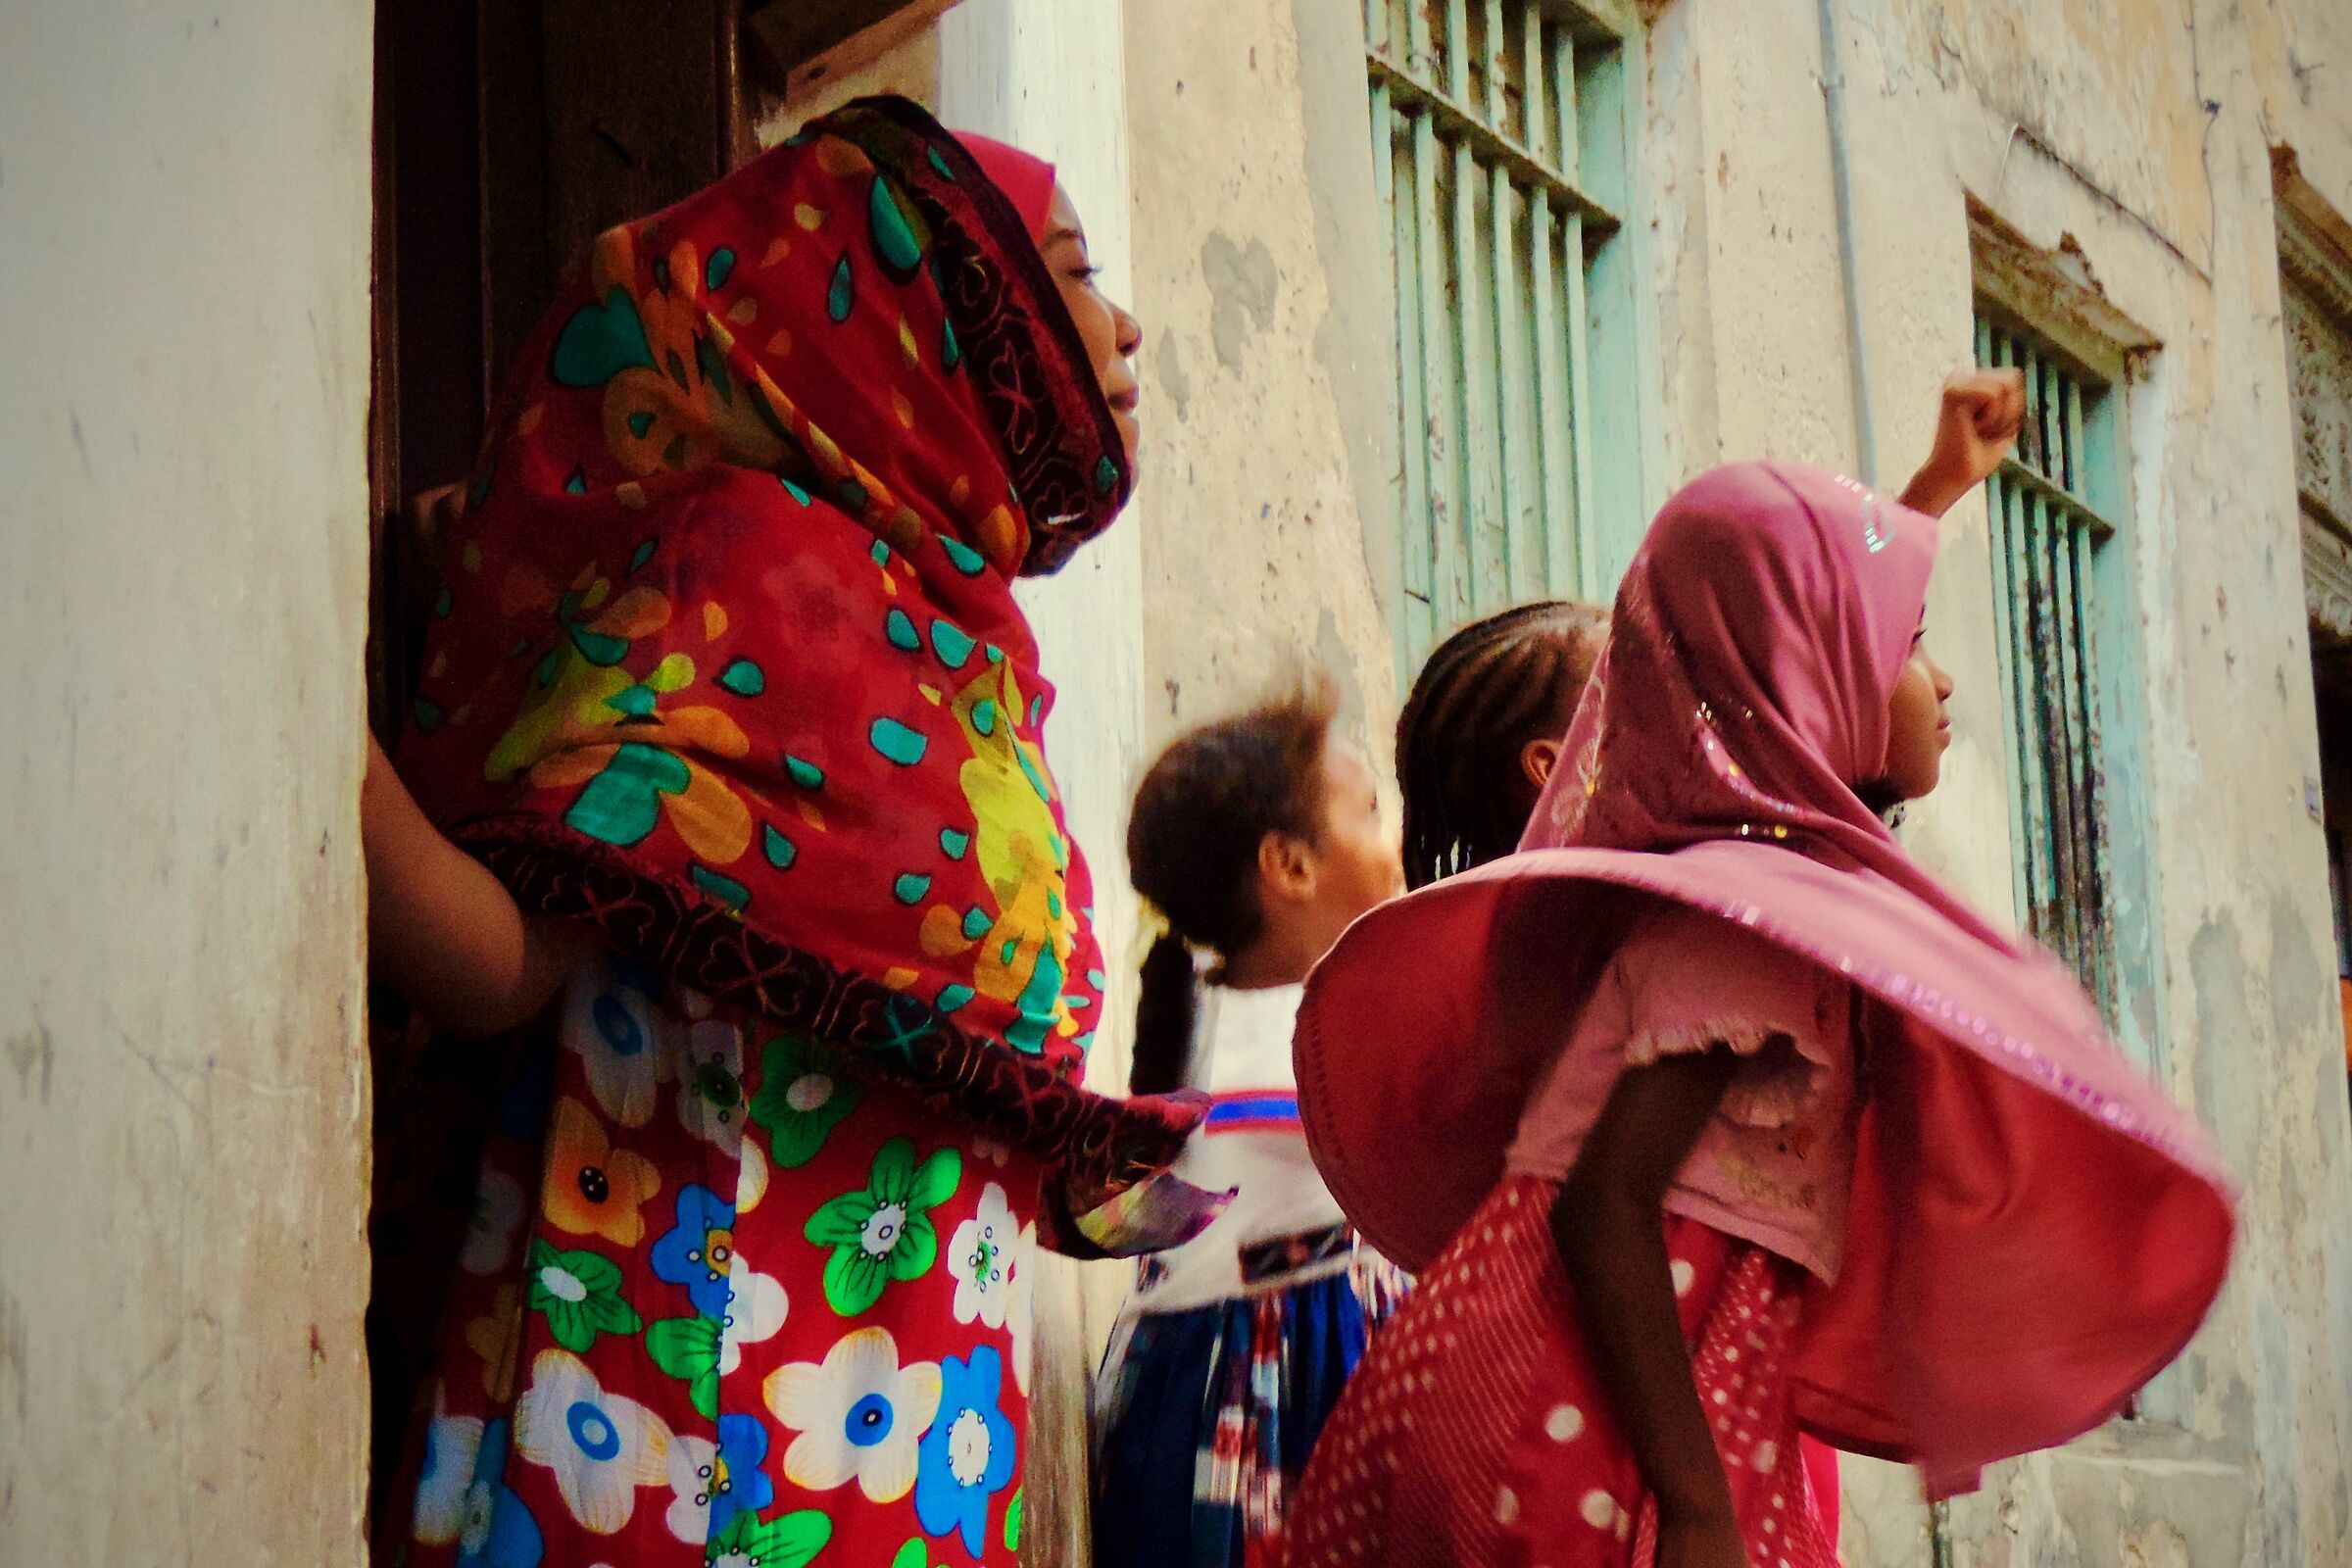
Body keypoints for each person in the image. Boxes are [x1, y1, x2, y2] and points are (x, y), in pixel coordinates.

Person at [362, 96, 1217, 1568]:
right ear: (926, 311)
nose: (1127, 328)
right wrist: (280, 695)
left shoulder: (961, 650)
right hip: (681, 1433)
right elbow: (503, 966)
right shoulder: (750, 570)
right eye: (1074, 270)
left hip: (900, 1451)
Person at [1284, 459, 2236, 1567]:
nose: (1944, 683)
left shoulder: (1782, 906)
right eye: (1908, 646)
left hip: (1629, 1398)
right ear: (1816, 683)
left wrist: (1922, 495)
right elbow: (1605, 1207)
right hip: (1587, 1421)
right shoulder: (1747, 934)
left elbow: (1807, 605)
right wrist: (1695, 1503)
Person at [1092, 684, 1408, 1568]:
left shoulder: (1211, 1023)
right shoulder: (1291, 1042)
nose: (1396, 841)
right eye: (1371, 812)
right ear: (1291, 867)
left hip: (1226, 1374)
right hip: (1270, 1393)